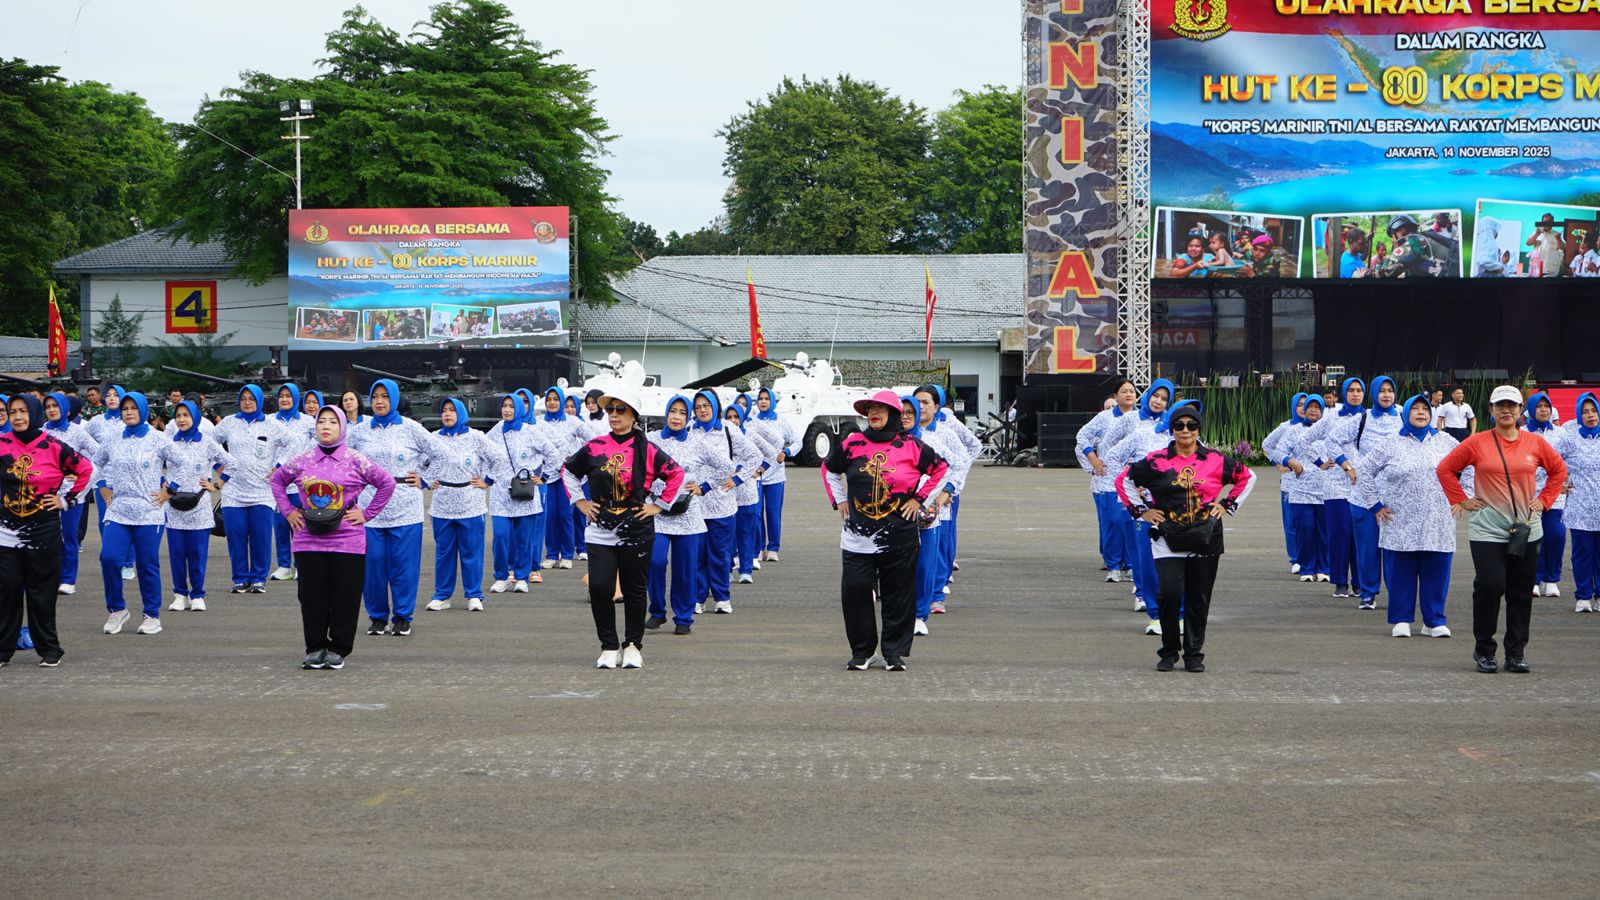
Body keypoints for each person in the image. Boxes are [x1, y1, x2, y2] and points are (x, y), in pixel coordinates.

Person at [1116, 401, 1254, 672]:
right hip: (1167, 537)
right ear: (1171, 429)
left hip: (1205, 538)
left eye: (1191, 425)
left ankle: (1193, 654)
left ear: (1198, 429)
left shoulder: (1215, 460)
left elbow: (1247, 477)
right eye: (1179, 425)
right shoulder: (1156, 461)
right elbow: (1123, 480)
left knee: (1198, 597)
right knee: (1168, 594)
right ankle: (1168, 651)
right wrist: (1141, 512)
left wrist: (1226, 505)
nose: (1185, 430)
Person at [1437, 386, 1566, 673]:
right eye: (1500, 405)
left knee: (1520, 591)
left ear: (1521, 410)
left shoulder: (1535, 443)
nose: (1506, 410)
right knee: (1491, 585)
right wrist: (1460, 499)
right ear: (1491, 410)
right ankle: (1484, 649)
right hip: (1487, 528)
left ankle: (1516, 652)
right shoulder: (1477, 442)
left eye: (1512, 405)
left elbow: (1559, 471)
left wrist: (1544, 500)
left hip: (1526, 529)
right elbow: (1445, 469)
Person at [823, 390, 950, 672]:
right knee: (855, 592)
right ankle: (862, 651)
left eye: (880, 408)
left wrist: (919, 500)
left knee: (898, 594)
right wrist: (840, 500)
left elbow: (942, 469)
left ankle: (894, 651)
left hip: (899, 537)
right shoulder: (852, 443)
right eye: (869, 409)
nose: (873, 413)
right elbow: (829, 469)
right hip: (857, 538)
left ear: (893, 413)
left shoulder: (911, 445)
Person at [565, 385, 685, 670]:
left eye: (620, 410)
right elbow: (568, 471)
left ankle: (632, 645)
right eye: (610, 410)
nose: (614, 415)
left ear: (633, 415)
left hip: (637, 528)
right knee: (600, 587)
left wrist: (658, 505)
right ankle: (608, 645)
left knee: (634, 589)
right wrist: (580, 501)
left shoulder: (649, 449)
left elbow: (676, 474)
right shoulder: (595, 446)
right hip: (601, 528)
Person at [271, 406, 396, 670]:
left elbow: (387, 483)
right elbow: (277, 481)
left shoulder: (356, 459)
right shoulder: (302, 460)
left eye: (332, 422)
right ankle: (315, 647)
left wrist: (367, 513)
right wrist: (288, 511)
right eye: (321, 422)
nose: (326, 426)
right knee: (311, 596)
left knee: (345, 596)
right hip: (308, 539)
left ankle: (339, 648)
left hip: (347, 540)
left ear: (342, 427)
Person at [0, 395, 94, 667]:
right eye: (12, 411)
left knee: (42, 593)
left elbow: (87, 469)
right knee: (6, 592)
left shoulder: (52, 446)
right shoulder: (2, 444)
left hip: (43, 532)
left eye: (22, 411)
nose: (17, 416)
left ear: (34, 413)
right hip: (5, 533)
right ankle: (4, 649)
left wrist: (67, 499)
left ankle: (49, 649)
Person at [1362, 395, 1460, 638]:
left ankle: (1434, 620)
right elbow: (1364, 471)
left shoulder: (1446, 442)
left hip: (1437, 519)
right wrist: (1375, 505)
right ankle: (1402, 619)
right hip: (1399, 519)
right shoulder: (1391, 443)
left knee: (1436, 569)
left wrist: (1462, 497)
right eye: (1414, 409)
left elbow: (1469, 466)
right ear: (1405, 414)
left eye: (1424, 409)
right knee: (1401, 570)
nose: (1420, 413)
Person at [347, 379, 435, 637]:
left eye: (385, 396)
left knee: (403, 566)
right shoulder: (360, 431)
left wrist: (425, 478)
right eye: (375, 396)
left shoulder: (411, 428)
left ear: (394, 399)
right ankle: (377, 617)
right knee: (372, 565)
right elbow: (343, 458)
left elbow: (439, 453)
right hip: (369, 508)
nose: (379, 401)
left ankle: (402, 616)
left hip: (405, 506)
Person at [92, 392, 171, 636]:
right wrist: (103, 486)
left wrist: (170, 490)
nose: (128, 412)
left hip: (149, 512)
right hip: (119, 510)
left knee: (146, 563)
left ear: (143, 410)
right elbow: (96, 463)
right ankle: (117, 609)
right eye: (125, 408)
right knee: (109, 558)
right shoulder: (114, 438)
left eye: (133, 408)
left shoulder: (159, 439)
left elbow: (183, 463)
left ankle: (151, 615)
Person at [1103, 378, 1176, 629]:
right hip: (1136, 497)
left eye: (1164, 399)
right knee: (1140, 549)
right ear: (1148, 396)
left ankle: (1163, 600)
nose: (1158, 402)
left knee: (1162, 551)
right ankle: (1142, 594)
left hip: (1165, 500)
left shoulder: (1173, 425)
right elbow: (1108, 449)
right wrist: (1126, 479)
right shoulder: (1132, 420)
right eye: (1156, 396)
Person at [1326, 376, 1402, 609]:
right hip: (1364, 494)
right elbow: (1332, 441)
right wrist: (1347, 465)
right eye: (1382, 391)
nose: (1386, 395)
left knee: (1395, 547)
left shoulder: (1402, 420)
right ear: (1375, 393)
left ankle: (1398, 592)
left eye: (1390, 391)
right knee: (1367, 546)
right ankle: (1368, 592)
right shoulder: (1363, 419)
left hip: (1394, 493)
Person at [645, 395, 716, 635]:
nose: (676, 417)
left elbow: (727, 466)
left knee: (684, 569)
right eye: (673, 411)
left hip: (688, 516)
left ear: (688, 418)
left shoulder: (698, 442)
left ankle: (683, 617)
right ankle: (656, 610)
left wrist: (704, 487)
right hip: (657, 513)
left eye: (682, 413)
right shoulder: (651, 440)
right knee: (655, 562)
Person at [690, 389, 757, 616]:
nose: (702, 410)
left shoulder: (728, 430)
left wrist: (737, 478)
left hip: (722, 504)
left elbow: (754, 456)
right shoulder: (690, 432)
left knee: (720, 553)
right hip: (696, 504)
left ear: (715, 406)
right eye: (698, 407)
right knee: (697, 554)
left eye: (706, 406)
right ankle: (698, 598)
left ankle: (722, 596)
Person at [422, 398, 493, 612]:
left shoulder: (476, 437)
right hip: (443, 502)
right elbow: (419, 460)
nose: (447, 414)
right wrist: (426, 480)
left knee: (471, 551)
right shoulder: (433, 438)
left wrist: (487, 481)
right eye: (444, 410)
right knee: (444, 552)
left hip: (470, 503)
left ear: (460, 413)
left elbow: (497, 458)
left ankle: (474, 594)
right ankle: (442, 595)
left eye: (452, 410)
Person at [161, 401, 231, 613]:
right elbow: (153, 464)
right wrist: (161, 484)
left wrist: (216, 484)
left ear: (195, 418)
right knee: (177, 553)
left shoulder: (207, 443)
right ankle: (180, 594)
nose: (181, 420)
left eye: (186, 415)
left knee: (197, 553)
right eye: (178, 415)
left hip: (199, 506)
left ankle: (198, 593)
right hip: (174, 506)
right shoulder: (167, 443)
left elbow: (231, 463)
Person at [211, 385, 283, 594]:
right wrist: (219, 467)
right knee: (236, 536)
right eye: (244, 398)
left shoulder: (272, 424)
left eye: (252, 398)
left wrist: (278, 467)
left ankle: (259, 578)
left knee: (260, 537)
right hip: (234, 492)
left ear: (259, 401)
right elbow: (211, 443)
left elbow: (293, 443)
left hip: (262, 491)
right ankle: (240, 578)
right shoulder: (230, 422)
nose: (248, 402)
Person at [915, 384, 974, 622]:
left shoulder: (945, 433)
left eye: (925, 402)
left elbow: (962, 461)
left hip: (936, 502)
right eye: (915, 402)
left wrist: (951, 489)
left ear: (936, 406)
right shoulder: (903, 432)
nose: (920, 407)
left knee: (935, 549)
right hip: (906, 503)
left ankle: (936, 594)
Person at [1303, 378, 1366, 599]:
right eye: (1350, 390)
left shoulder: (1370, 419)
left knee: (1361, 536)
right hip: (1336, 486)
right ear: (1343, 393)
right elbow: (1305, 440)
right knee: (1340, 534)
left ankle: (1360, 583)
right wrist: (1319, 462)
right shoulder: (1330, 418)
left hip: (1362, 485)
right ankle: (1340, 581)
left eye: (1359, 390)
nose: (1355, 394)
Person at [487, 393, 556, 595]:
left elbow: (552, 453)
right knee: (500, 536)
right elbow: (482, 453)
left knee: (523, 538)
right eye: (504, 406)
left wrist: (543, 477)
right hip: (500, 493)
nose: (507, 410)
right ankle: (501, 576)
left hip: (524, 493)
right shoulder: (495, 431)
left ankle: (522, 576)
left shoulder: (531, 432)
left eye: (511, 406)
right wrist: (487, 477)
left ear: (519, 409)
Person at [1075, 379, 1139, 583]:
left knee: (1131, 523)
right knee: (1113, 522)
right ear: (1116, 396)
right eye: (1124, 391)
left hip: (1133, 479)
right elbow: (1082, 437)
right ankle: (1113, 566)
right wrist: (1093, 460)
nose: (1128, 394)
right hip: (1108, 479)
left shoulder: (1141, 418)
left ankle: (1130, 565)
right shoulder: (1104, 417)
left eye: (1132, 391)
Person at [42, 392, 98, 595]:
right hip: (45, 495)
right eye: (47, 406)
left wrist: (82, 478)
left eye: (55, 406)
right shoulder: (39, 432)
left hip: (71, 495)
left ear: (65, 408)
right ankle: (48, 577)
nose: (51, 410)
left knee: (69, 537)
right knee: (46, 538)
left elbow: (99, 456)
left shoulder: (78, 432)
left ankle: (67, 579)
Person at [1550, 393, 1599, 613]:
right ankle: (1583, 596)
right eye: (1586, 412)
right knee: (1583, 553)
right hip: (1580, 507)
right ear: (1579, 415)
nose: (1591, 415)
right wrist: (1558, 484)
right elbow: (1549, 461)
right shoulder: (1570, 440)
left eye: (1594, 411)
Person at [85, 383, 136, 581]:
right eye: (109, 395)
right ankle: (113, 560)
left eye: (116, 395)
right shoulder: (96, 422)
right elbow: (81, 442)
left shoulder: (130, 420)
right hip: (104, 480)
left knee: (128, 521)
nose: (112, 398)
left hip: (129, 480)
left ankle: (128, 562)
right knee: (106, 522)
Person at [1522, 393, 1568, 601]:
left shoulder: (1561, 433)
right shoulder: (1521, 433)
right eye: (1538, 406)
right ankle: (1533, 579)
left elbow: (1571, 459)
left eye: (1546, 406)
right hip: (1528, 494)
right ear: (1530, 410)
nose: (1543, 410)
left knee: (1555, 536)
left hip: (1554, 494)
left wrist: (1569, 482)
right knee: (1532, 538)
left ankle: (1552, 579)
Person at [1281, 395, 1330, 583]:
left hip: (1326, 489)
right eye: (1310, 406)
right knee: (1305, 528)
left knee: (1324, 531)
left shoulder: (1330, 431)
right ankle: (1307, 567)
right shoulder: (1294, 431)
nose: (1313, 410)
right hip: (1301, 489)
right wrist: (1289, 461)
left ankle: (1324, 568)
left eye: (1318, 407)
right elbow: (1278, 451)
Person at [270, 384, 314, 582]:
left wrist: (305, 461)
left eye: (289, 396)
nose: (285, 399)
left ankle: (301, 564)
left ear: (296, 399)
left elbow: (318, 442)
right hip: (277, 481)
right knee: (280, 525)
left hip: (300, 481)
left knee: (301, 524)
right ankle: (284, 565)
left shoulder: (307, 421)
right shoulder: (269, 420)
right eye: (282, 396)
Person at [538, 385, 586, 570]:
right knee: (550, 516)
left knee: (565, 514)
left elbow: (592, 439)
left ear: (562, 401)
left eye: (555, 399)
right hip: (546, 475)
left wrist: (578, 458)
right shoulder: (539, 421)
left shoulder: (573, 421)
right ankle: (551, 553)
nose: (552, 403)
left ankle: (567, 554)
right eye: (549, 399)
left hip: (568, 474)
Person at [750, 386, 799, 562]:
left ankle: (773, 548)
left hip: (776, 476)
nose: (763, 402)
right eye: (760, 399)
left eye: (766, 399)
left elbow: (797, 441)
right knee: (756, 513)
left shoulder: (782, 422)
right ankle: (758, 547)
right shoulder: (753, 421)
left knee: (773, 512)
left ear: (772, 402)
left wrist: (787, 452)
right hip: (756, 475)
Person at [726, 403, 772, 584]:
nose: (732, 421)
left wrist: (759, 471)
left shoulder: (750, 435)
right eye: (729, 417)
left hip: (748, 493)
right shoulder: (722, 437)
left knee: (746, 533)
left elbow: (770, 453)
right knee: (728, 536)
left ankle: (746, 569)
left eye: (735, 417)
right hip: (726, 494)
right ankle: (727, 568)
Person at [1262, 392, 1309, 574]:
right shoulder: (1286, 427)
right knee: (1292, 522)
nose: (1303, 408)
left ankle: (1313, 558)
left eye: (1307, 404)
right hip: (1291, 482)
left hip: (1315, 484)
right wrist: (1279, 462)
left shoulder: (1317, 426)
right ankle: (1295, 558)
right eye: (1300, 404)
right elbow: (1267, 445)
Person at [1377, 214, 1448, 278]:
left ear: (1402, 230)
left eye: (1392, 235)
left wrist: (1372, 274)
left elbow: (1387, 270)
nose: (1393, 240)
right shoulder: (1423, 237)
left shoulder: (1413, 242)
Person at [1526, 212, 1564, 278]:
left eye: (1549, 222)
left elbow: (1562, 247)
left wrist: (1558, 239)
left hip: (1550, 272)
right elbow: (1528, 243)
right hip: (1536, 270)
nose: (1546, 224)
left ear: (1552, 223)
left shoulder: (1557, 234)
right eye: (1545, 222)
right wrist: (1536, 234)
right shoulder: (1537, 233)